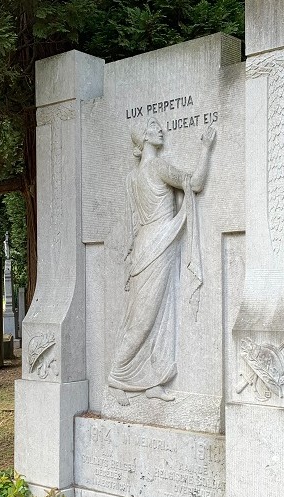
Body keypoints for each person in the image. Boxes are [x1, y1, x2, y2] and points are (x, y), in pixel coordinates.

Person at [108, 117, 216, 407]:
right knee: (144, 319)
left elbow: (133, 224)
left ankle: (152, 380)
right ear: (143, 137)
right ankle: (117, 375)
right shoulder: (157, 167)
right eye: (154, 127)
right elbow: (195, 183)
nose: (161, 131)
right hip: (158, 245)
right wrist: (205, 148)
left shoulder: (133, 176)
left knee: (159, 315)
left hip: (150, 244)